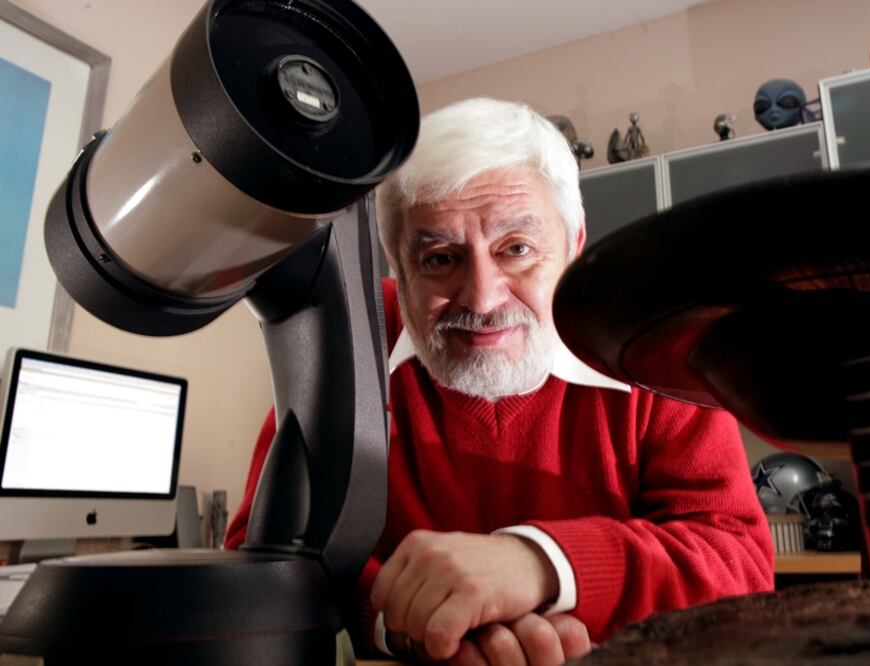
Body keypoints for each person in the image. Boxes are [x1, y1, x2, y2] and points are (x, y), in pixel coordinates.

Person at [226, 97, 773, 664]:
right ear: (396, 264)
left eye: (516, 249)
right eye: (440, 258)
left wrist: (539, 563)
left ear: (574, 244)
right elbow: (261, 556)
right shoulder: (347, 339)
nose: (482, 298)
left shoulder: (657, 336)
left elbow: (737, 562)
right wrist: (406, 620)